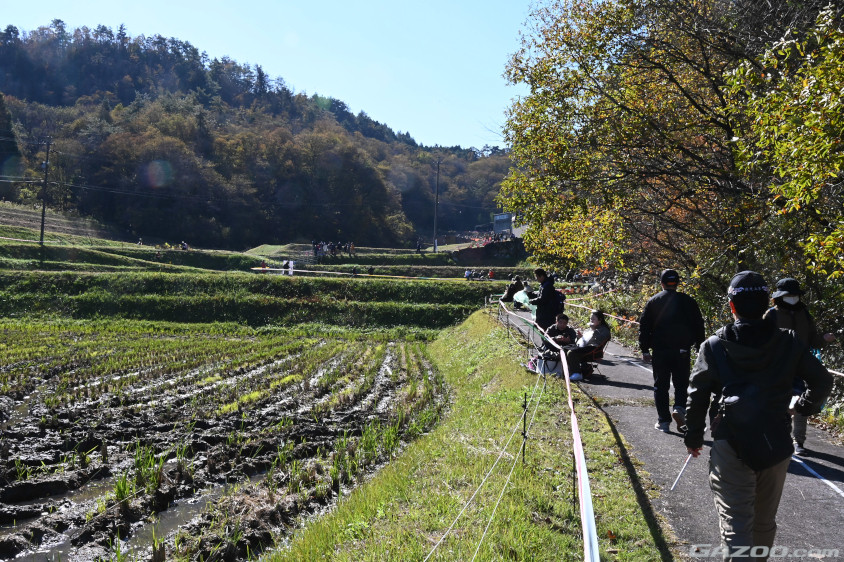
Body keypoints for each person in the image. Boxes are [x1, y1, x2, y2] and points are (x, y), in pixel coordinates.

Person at [684, 271, 832, 561]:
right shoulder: (788, 341)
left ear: (732, 306)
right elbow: (823, 381)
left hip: (730, 441)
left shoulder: (714, 346)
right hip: (776, 441)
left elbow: (697, 395)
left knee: (736, 523)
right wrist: (802, 407)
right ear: (767, 304)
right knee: (764, 522)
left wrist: (693, 437)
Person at [762, 278, 836, 455]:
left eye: (795, 294)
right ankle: (777, 439)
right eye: (789, 295)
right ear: (780, 296)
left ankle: (799, 442)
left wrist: (824, 339)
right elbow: (762, 342)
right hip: (778, 366)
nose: (793, 298)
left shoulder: (805, 314)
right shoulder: (770, 315)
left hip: (801, 363)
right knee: (778, 403)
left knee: (802, 403)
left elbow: (814, 340)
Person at [639, 269, 705, 433]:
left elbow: (644, 327)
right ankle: (679, 408)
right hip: (682, 350)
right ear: (677, 283)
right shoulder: (688, 301)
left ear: (662, 283)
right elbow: (698, 325)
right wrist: (699, 346)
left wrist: (645, 349)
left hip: (660, 351)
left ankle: (663, 421)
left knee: (660, 386)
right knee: (681, 384)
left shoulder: (654, 301)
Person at [565, 310, 611, 381]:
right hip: (585, 347)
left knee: (571, 353)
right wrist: (580, 337)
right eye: (590, 318)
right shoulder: (589, 329)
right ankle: (569, 370)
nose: (591, 320)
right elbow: (583, 341)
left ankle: (577, 374)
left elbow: (596, 341)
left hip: (593, 350)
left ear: (600, 320)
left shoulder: (604, 330)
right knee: (565, 348)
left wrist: (594, 329)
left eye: (593, 319)